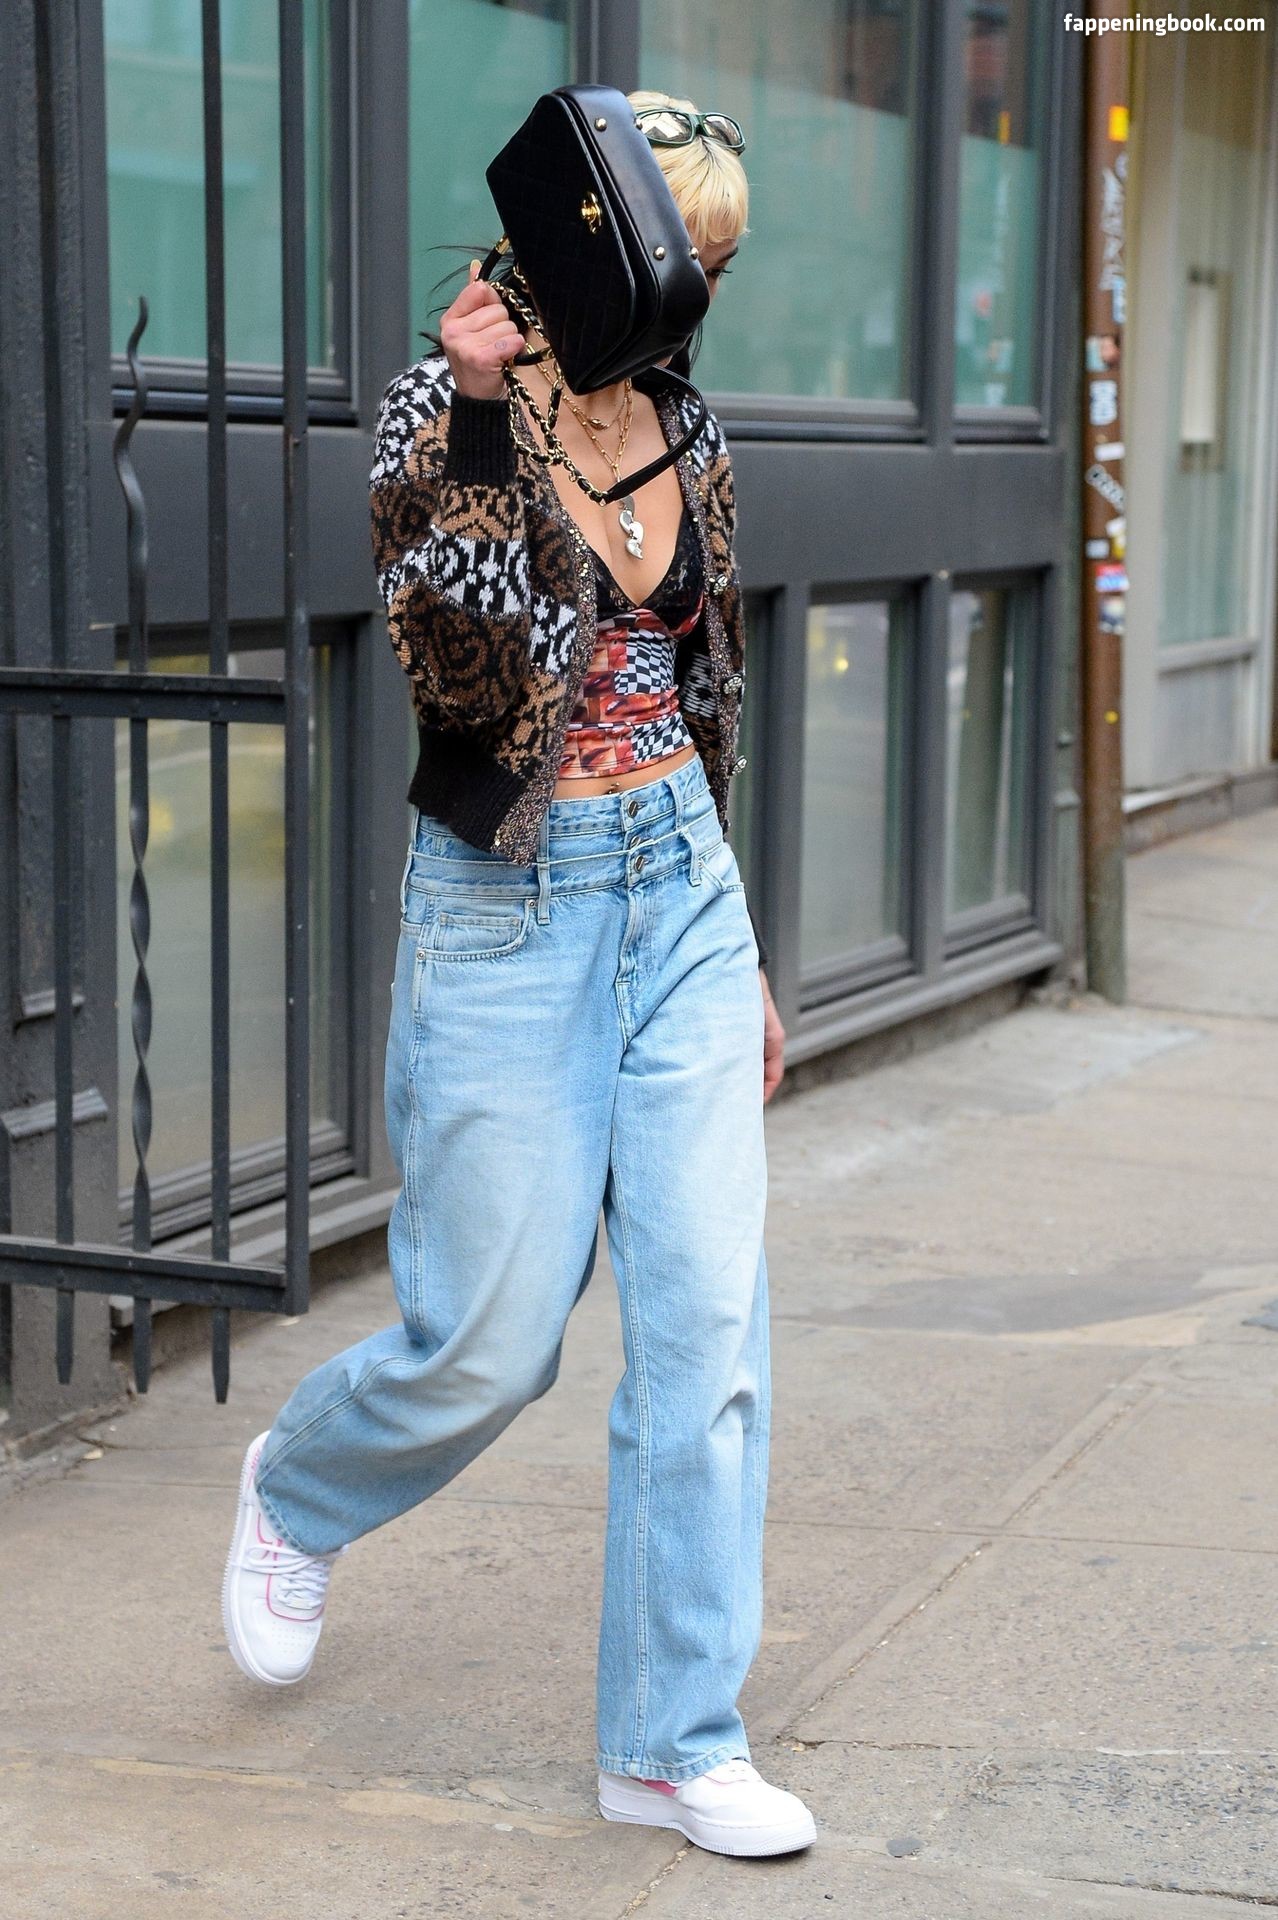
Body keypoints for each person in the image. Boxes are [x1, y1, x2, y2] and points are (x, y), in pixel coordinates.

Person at [219, 89, 815, 1860]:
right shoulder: (435, 407)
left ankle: (671, 1745)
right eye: (684, 252)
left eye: (719, 265)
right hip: (511, 905)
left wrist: (738, 946)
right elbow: (466, 683)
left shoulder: (687, 422)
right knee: (488, 1347)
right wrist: (483, 417)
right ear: (589, 237)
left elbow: (704, 697)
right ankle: (301, 1488)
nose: (698, 291)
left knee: (708, 1344)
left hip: (680, 893)